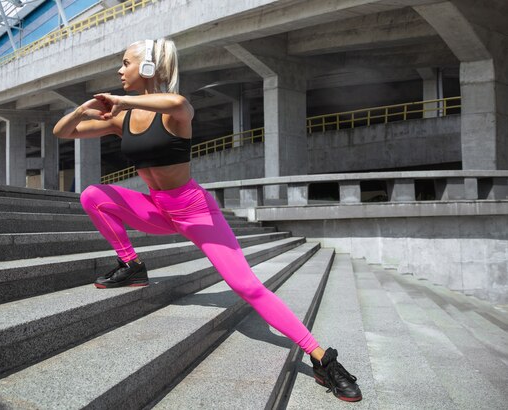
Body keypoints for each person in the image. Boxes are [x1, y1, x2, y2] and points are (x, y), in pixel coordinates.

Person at [53, 38, 362, 402]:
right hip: (156, 208)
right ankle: (131, 264)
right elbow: (64, 132)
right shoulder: (119, 119)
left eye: (125, 63)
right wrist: (83, 109)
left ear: (149, 68)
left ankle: (321, 358)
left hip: (195, 212)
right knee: (93, 195)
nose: (120, 71)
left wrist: (120, 100)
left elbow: (176, 101)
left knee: (247, 287)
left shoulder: (174, 110)